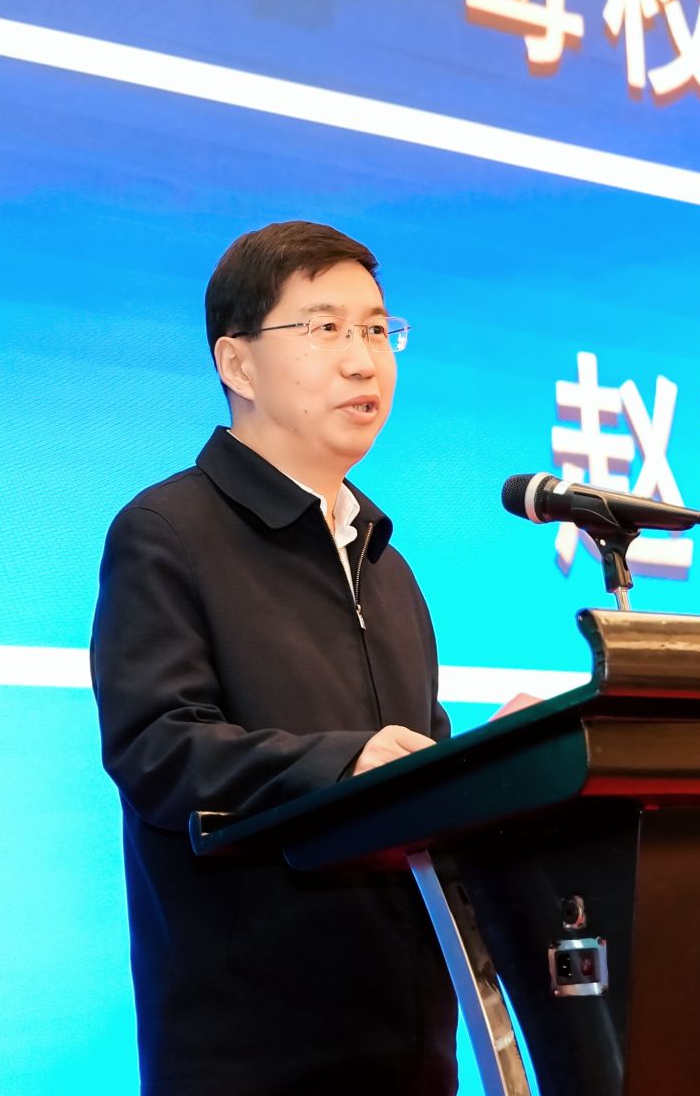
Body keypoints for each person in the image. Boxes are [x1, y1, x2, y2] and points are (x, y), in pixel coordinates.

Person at [89, 220, 457, 1094]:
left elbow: (418, 782)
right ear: (238, 363)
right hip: (250, 1053)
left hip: (409, 1048)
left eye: (377, 329)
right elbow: (158, 748)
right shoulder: (168, 533)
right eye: (326, 327)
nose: (364, 360)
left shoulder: (388, 565)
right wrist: (344, 765)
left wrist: (501, 765)